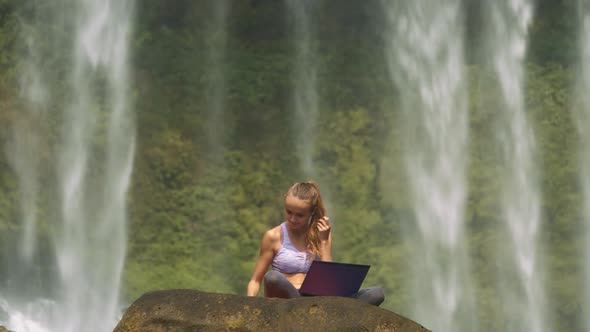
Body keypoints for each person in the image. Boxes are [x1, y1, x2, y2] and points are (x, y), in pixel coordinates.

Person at [246, 181, 384, 306]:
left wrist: (323, 242)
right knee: (273, 278)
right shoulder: (273, 236)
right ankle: (319, 312)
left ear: (311, 212)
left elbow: (329, 282)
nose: (293, 219)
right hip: (286, 300)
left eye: (300, 215)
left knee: (376, 293)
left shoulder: (322, 234)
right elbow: (255, 280)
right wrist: (250, 307)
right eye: (289, 212)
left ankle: (320, 312)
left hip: (317, 299)